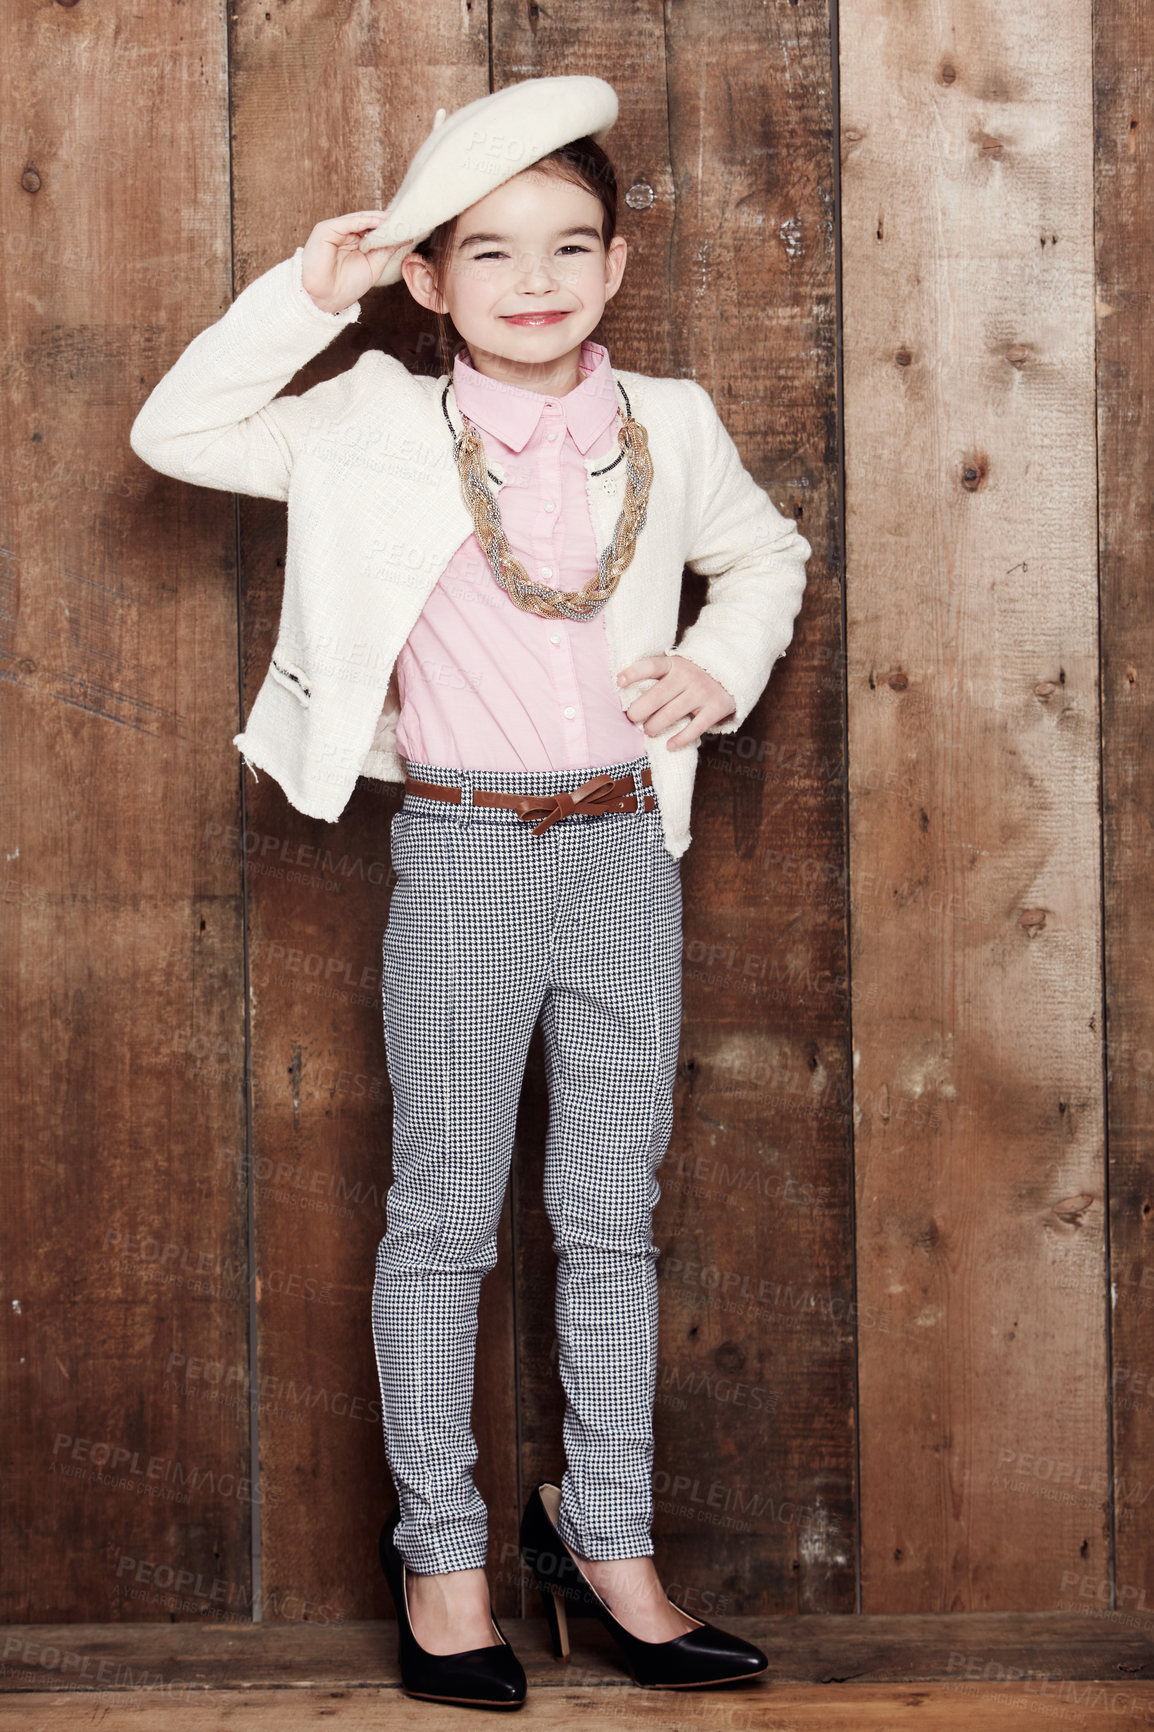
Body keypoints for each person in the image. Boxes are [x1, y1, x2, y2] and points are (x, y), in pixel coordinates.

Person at [130, 73, 811, 1710]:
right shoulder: (369, 418)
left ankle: (608, 1542)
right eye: (484, 252)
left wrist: (715, 668)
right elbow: (173, 431)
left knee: (607, 1217)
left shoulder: (673, 421)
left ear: (616, 267)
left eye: (569, 246)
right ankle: (444, 1562)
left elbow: (765, 553)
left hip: (619, 854)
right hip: (459, 848)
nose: (533, 280)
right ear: (427, 281)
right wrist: (311, 291)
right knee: (442, 1217)